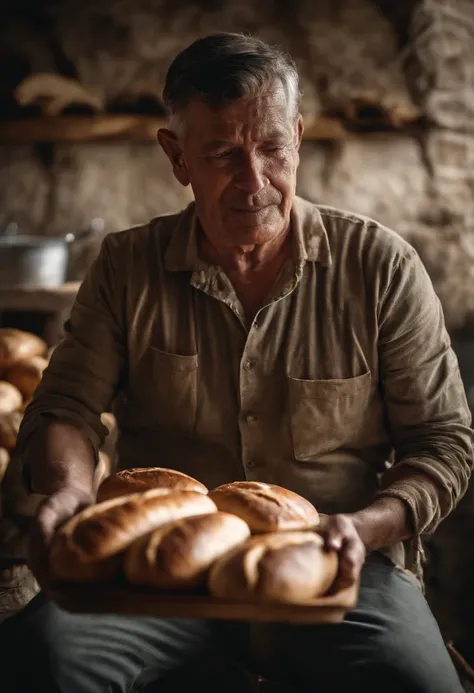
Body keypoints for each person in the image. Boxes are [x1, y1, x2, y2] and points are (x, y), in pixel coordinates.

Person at [1, 32, 471, 693]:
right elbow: (65, 408)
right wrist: (70, 494)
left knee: (418, 684)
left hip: (342, 568)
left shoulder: (381, 266)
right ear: (177, 157)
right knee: (35, 658)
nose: (255, 182)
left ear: (298, 139)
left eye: (273, 149)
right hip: (160, 573)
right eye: (223, 154)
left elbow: (444, 443)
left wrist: (364, 527)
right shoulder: (126, 265)